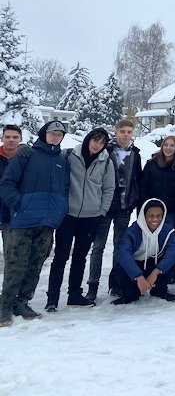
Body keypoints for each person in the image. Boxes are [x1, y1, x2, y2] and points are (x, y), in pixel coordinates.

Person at [0, 121, 70, 327]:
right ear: (44, 134)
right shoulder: (27, 155)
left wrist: (60, 210)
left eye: (59, 134)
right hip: (23, 221)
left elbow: (64, 188)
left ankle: (22, 302)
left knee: (35, 263)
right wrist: (19, 204)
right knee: (16, 263)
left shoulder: (61, 161)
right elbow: (6, 183)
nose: (56, 137)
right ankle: (5, 305)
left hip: (47, 222)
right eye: (52, 133)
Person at [46, 128, 116, 311]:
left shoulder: (106, 162)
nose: (97, 145)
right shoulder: (69, 155)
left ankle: (74, 294)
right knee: (60, 257)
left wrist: (101, 211)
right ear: (88, 139)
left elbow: (109, 189)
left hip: (91, 217)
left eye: (101, 143)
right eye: (95, 140)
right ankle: (52, 297)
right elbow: (49, 158)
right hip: (68, 216)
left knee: (80, 258)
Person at [87, 119, 143, 302]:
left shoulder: (135, 154)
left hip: (124, 207)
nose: (126, 135)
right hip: (105, 207)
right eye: (122, 131)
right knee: (98, 247)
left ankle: (116, 283)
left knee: (120, 247)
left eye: (129, 131)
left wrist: (134, 200)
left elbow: (136, 178)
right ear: (116, 132)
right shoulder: (106, 151)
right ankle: (92, 285)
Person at [108, 198, 175, 305]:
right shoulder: (133, 231)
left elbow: (174, 252)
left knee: (172, 260)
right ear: (144, 216)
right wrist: (139, 277)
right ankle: (129, 294)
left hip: (153, 264)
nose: (155, 219)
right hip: (136, 265)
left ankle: (159, 290)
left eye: (159, 216)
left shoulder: (168, 230)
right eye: (151, 216)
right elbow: (124, 254)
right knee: (121, 266)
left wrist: (156, 272)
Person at [138, 136, 175, 283]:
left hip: (171, 212)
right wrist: (143, 209)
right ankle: (149, 274)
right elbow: (143, 188)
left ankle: (168, 275)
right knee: (152, 244)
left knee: (169, 245)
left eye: (172, 145)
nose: (168, 148)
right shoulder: (151, 164)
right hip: (153, 212)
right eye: (166, 145)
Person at [0, 124, 23, 256]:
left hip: (13, 211)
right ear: (1, 138)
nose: (11, 140)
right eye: (7, 137)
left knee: (11, 251)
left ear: (20, 139)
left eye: (15, 137)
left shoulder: (26, 159)